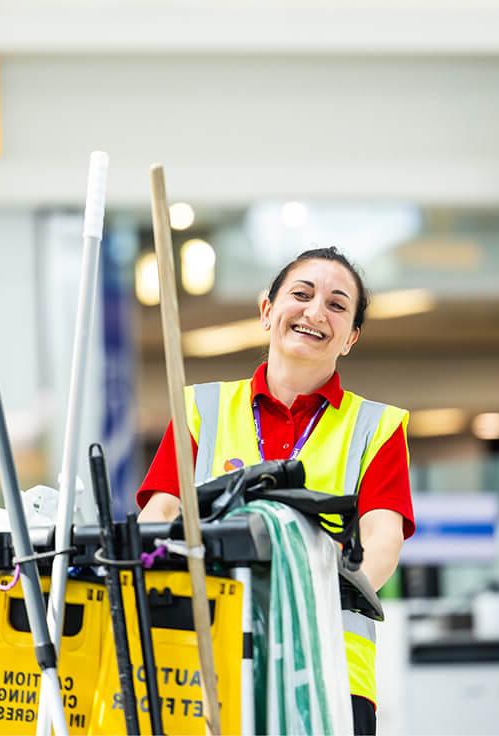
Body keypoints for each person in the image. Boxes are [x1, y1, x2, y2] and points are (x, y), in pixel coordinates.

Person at [137, 246, 414, 736]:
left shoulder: (377, 426)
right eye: (301, 294)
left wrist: (317, 605)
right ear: (267, 311)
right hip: (205, 657)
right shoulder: (201, 408)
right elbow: (160, 511)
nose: (314, 312)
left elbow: (382, 540)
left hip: (330, 668)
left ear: (349, 337)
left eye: (336, 304)